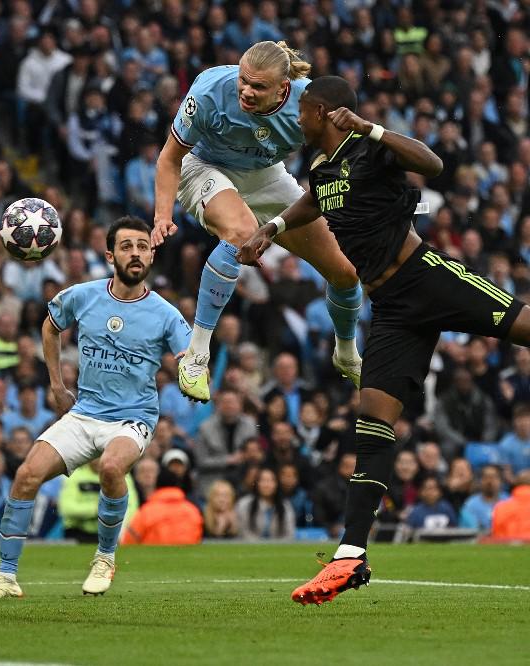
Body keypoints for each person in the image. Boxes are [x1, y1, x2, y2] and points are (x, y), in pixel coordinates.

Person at [237, 75, 530, 605]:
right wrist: (271, 228)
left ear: (324, 111)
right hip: (391, 308)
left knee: (524, 328)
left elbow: (433, 163)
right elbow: (312, 202)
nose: (295, 119)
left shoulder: (368, 148)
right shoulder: (323, 168)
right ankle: (350, 556)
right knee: (371, 419)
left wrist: (371, 128)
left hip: (426, 275)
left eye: (302, 110)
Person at [0, 216, 192, 599]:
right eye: (126, 246)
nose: (135, 253)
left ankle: (105, 558)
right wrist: (57, 385)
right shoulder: (83, 295)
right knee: (26, 474)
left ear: (152, 256)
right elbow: (50, 326)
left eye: (143, 246)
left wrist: (193, 376)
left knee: (111, 466)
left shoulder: (166, 314)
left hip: (132, 418)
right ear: (110, 255)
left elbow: (188, 356)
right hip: (84, 412)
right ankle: (6, 578)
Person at [152, 41, 364, 404]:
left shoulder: (311, 104)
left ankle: (346, 352)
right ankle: (197, 354)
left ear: (283, 88)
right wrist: (162, 216)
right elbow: (170, 158)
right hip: (204, 168)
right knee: (240, 234)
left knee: (345, 272)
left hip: (266, 175)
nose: (247, 92)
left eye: (258, 87)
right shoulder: (208, 91)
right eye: (243, 82)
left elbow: (342, 158)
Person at [120, 469, 203, 545]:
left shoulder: (146, 512)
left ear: (157, 485)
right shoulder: (192, 511)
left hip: (152, 558)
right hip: (187, 558)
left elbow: (129, 542)